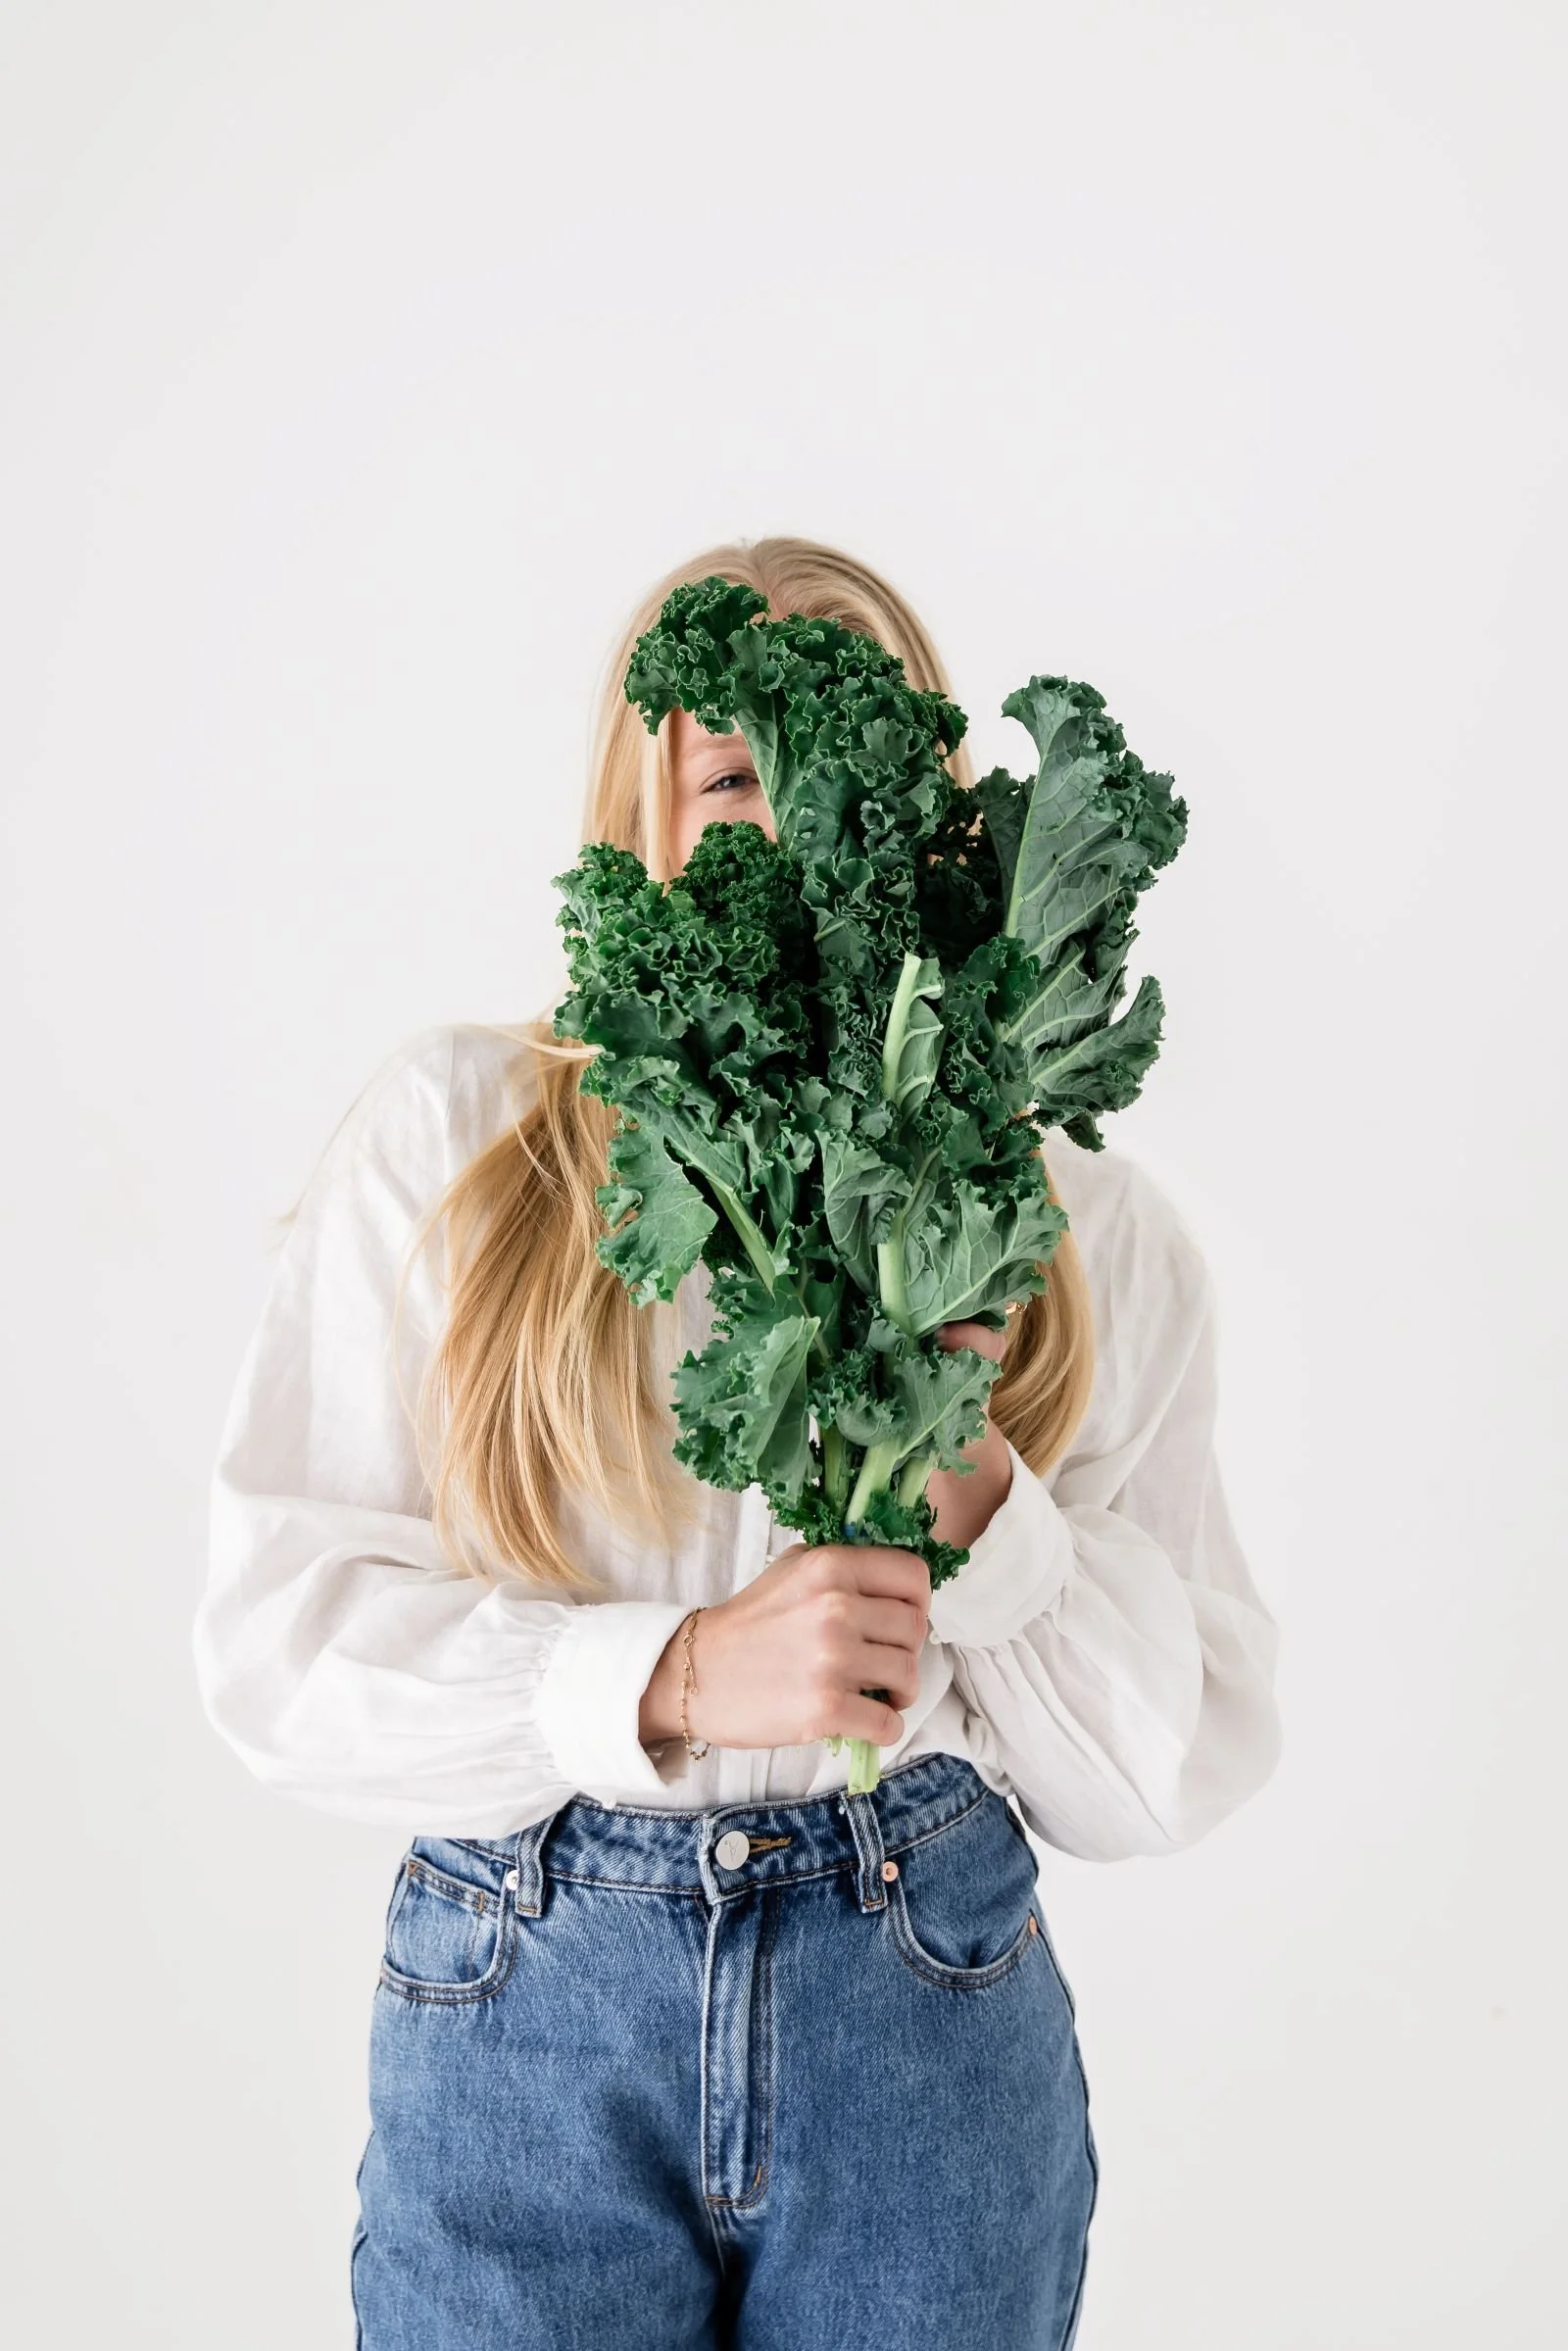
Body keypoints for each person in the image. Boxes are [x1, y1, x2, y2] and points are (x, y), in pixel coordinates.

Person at [195, 533, 1283, 2350]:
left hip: (920, 2000)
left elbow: (1169, 1768)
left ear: (945, 817)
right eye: (736, 768)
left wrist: (976, 1500)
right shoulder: (461, 1151)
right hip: (531, 2006)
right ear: (647, 809)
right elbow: (277, 1650)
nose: (800, 817)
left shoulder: (1085, 1235)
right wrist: (678, 1674)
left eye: (859, 767)